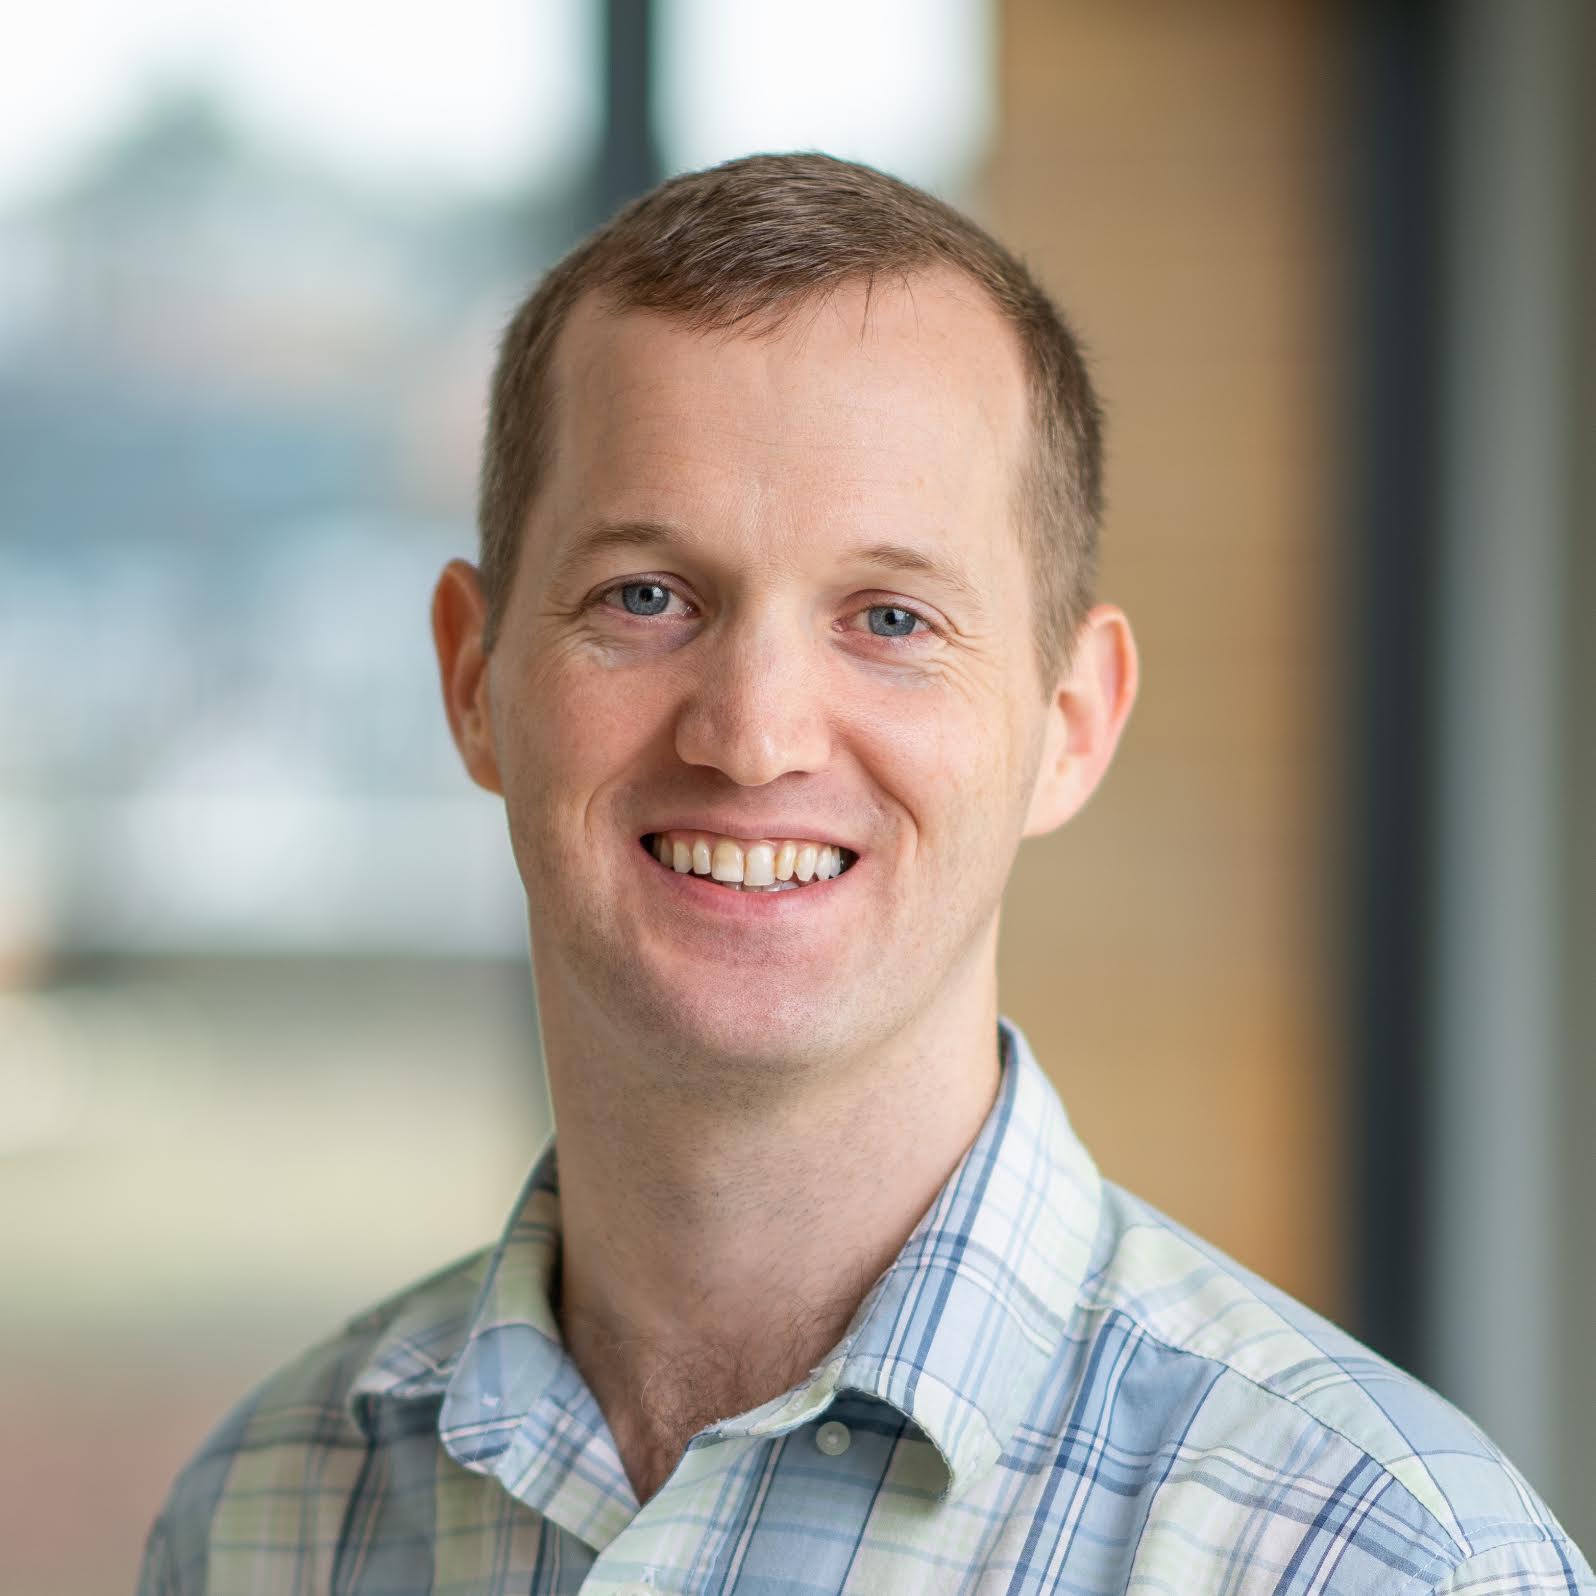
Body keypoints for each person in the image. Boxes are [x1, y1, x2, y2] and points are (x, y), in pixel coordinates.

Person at [138, 152, 1592, 1595]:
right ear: (474, 677)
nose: (754, 736)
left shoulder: (1380, 1561)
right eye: (647, 597)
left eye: (890, 618)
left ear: (1071, 725)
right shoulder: (265, 1519)